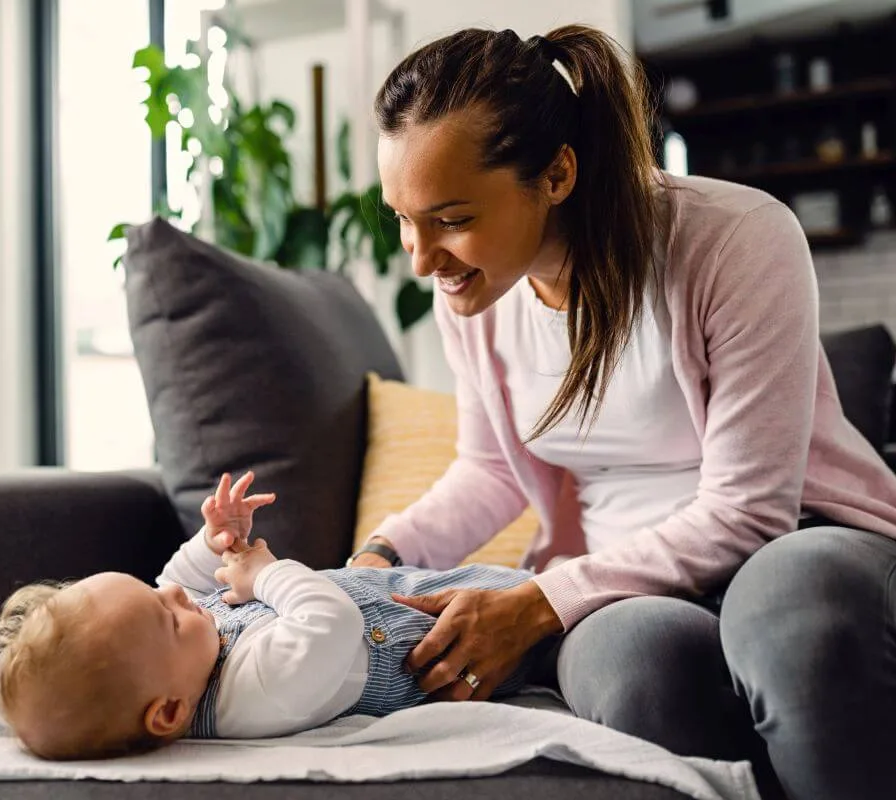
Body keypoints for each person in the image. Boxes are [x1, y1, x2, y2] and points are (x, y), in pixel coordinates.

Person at [348, 22, 896, 800]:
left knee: (791, 611)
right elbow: (493, 471)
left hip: (800, 540)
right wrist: (379, 556)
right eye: (402, 218)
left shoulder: (733, 239)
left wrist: (537, 601)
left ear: (558, 174)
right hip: (619, 581)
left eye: (452, 218)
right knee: (633, 664)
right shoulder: (475, 293)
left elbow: (751, 512)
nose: (420, 257)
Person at [0, 471, 535, 760]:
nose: (175, 598)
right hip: (462, 636)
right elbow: (332, 622)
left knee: (545, 582)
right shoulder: (255, 693)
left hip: (403, 585)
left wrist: (215, 539)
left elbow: (177, 579)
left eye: (153, 595)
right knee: (544, 600)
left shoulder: (174, 656)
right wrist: (263, 572)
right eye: (168, 617)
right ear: (169, 713)